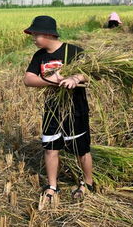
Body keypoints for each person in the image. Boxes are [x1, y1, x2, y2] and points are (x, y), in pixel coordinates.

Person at [22, 16, 93, 210]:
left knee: (81, 149)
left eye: (35, 34)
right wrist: (52, 81)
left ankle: (88, 182)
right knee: (50, 147)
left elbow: (92, 72)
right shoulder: (40, 56)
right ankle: (52, 185)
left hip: (75, 109)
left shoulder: (74, 51)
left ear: (48, 34)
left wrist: (75, 77)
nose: (33, 38)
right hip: (52, 110)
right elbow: (28, 79)